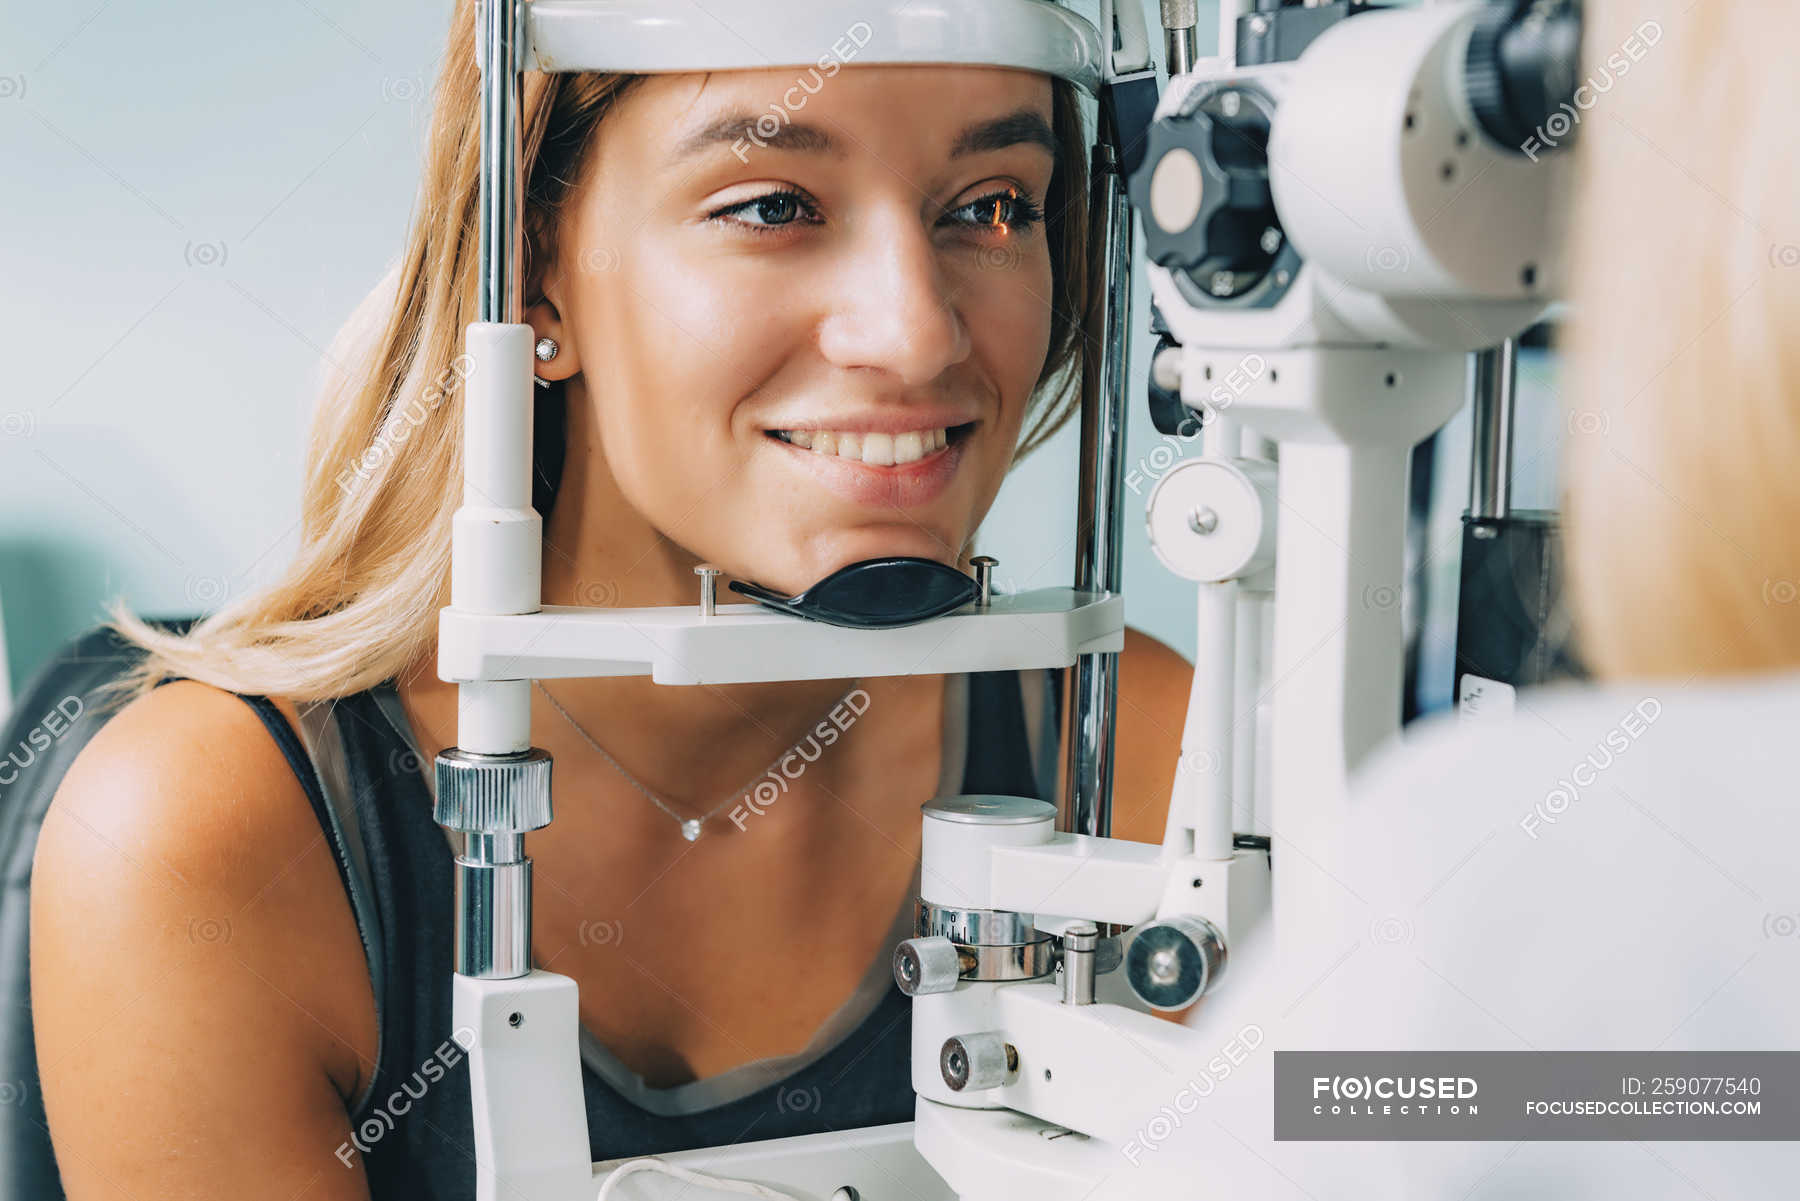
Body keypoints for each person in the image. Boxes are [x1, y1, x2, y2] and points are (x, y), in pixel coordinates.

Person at [27, 5, 1197, 1199]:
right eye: (772, 207)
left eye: (993, 205)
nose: (913, 330)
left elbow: (1364, 1105)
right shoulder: (211, 850)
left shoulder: (1159, 766)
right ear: (535, 273)